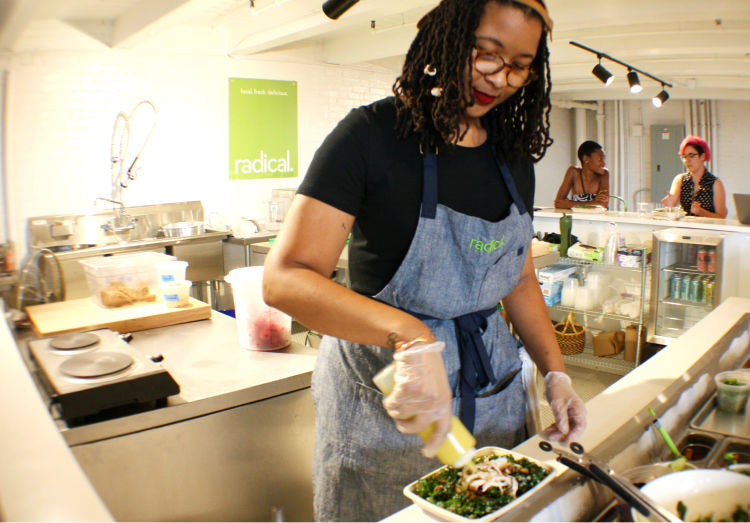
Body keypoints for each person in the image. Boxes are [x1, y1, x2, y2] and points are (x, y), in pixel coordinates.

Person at [262, 1, 586, 520]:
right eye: (485, 53)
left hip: (492, 401)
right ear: (447, 36)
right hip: (388, 408)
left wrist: (556, 375)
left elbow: (518, 279)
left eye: (519, 65)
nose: (499, 78)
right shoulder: (371, 137)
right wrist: (411, 337)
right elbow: (285, 281)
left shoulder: (511, 157)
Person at [661, 135, 727, 218]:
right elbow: (671, 206)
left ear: (702, 156)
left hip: (707, 229)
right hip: (684, 229)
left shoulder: (715, 183)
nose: (687, 160)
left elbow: (722, 217)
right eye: (684, 157)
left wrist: (701, 212)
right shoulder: (680, 180)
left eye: (692, 156)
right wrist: (669, 205)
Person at [554, 140, 610, 209]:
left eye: (604, 159)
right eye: (600, 159)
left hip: (598, 218)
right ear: (586, 159)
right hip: (577, 218)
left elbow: (603, 205)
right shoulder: (573, 172)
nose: (603, 163)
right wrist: (594, 202)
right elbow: (558, 203)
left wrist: (570, 204)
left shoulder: (604, 174)